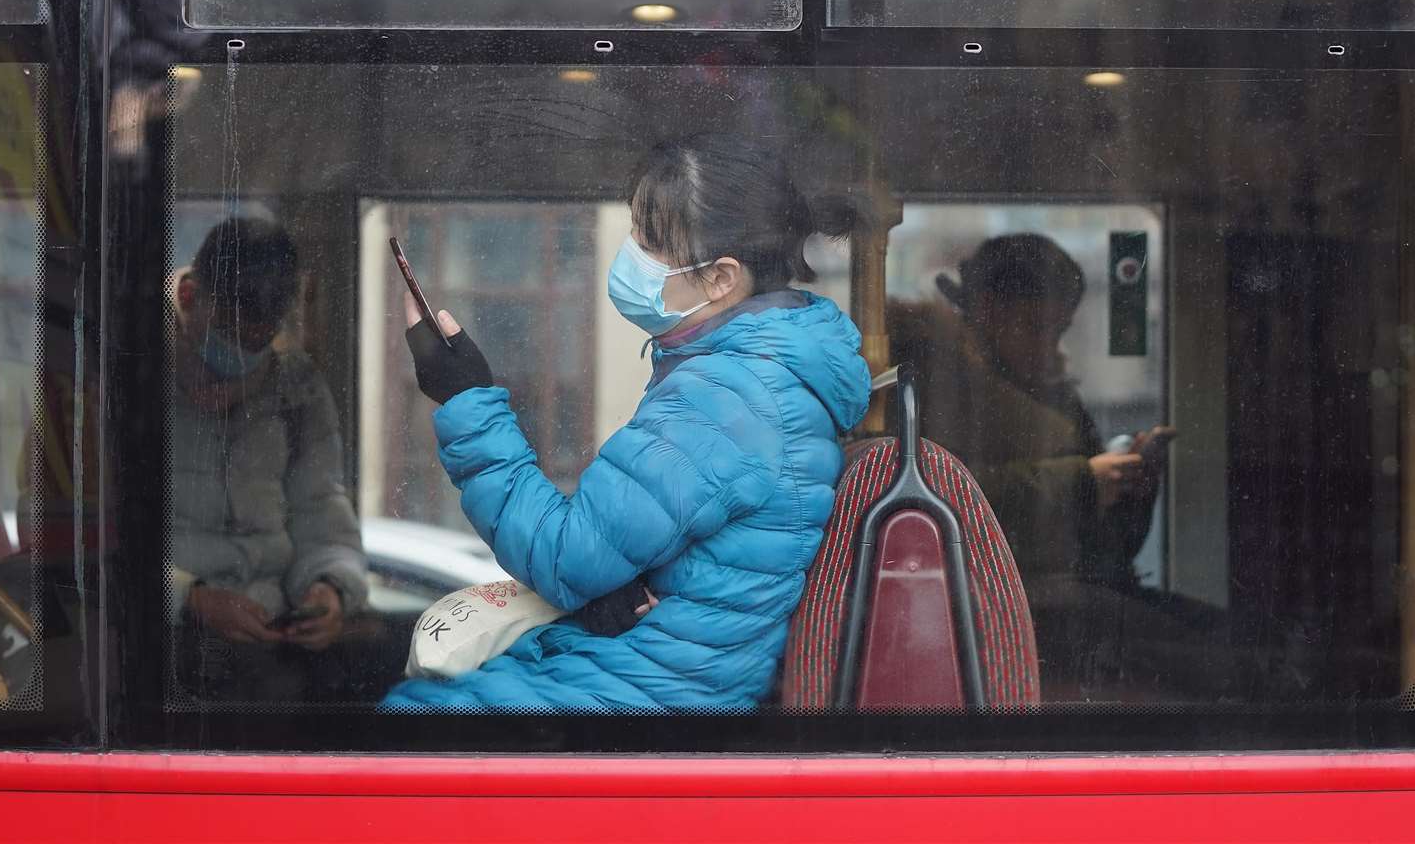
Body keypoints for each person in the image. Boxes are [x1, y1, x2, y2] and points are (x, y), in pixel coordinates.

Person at [382, 134, 869, 711]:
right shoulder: (755, 375)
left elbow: (566, 558)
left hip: (654, 688)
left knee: (403, 726)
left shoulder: (727, 398)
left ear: (720, 280)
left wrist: (465, 400)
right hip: (661, 667)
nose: (629, 250)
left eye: (649, 240)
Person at [887, 233, 1181, 695]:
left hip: (1067, 591)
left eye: (1057, 332)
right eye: (1034, 326)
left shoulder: (1052, 392)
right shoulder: (941, 389)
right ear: (986, 309)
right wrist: (1085, 483)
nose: (1049, 346)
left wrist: (1130, 491)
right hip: (993, 604)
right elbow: (939, 503)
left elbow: (1107, 551)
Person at [168, 218, 370, 699]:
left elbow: (320, 512)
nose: (242, 355)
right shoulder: (121, 376)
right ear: (192, 297)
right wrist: (188, 598)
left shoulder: (297, 390)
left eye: (258, 342)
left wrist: (329, 588)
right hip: (157, 653)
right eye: (230, 335)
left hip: (271, 651)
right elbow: (95, 542)